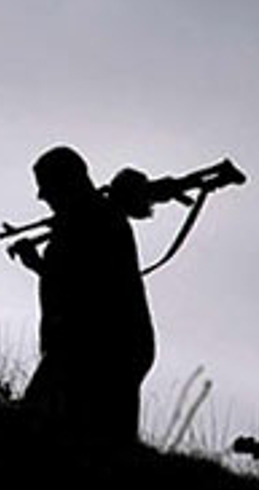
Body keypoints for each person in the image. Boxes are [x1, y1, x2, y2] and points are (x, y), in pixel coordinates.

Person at [8, 147, 155, 450]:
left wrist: (37, 264)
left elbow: (84, 285)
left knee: (57, 431)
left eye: (47, 186)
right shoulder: (88, 218)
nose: (42, 196)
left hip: (99, 346)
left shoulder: (94, 219)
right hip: (99, 345)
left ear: (67, 182)